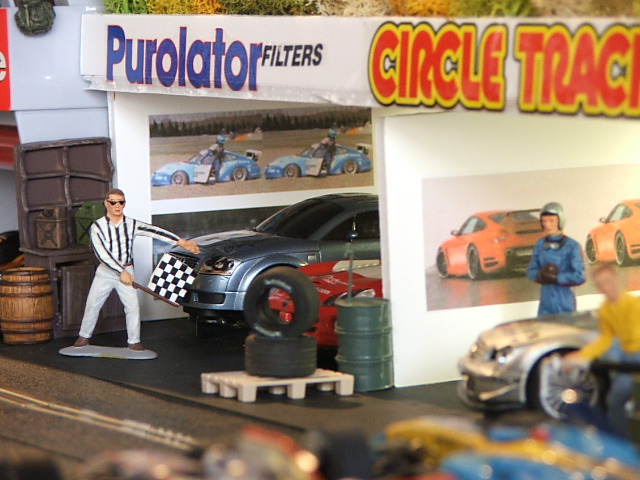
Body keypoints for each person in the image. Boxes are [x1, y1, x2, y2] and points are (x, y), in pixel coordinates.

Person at [73, 189, 200, 351]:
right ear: (106, 203)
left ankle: (134, 341)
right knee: (93, 304)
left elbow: (155, 231)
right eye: (113, 202)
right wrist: (120, 272)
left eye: (121, 202)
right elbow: (102, 254)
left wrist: (182, 242)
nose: (117, 206)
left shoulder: (132, 224)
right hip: (106, 272)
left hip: (128, 270)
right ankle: (84, 336)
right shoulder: (97, 226)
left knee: (132, 307)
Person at [564, 264, 640, 436]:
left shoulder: (634, 305)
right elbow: (605, 340)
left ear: (617, 279)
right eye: (601, 284)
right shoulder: (606, 310)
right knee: (615, 401)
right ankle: (620, 441)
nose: (606, 287)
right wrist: (581, 356)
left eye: (608, 281)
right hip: (629, 362)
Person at [527, 202, 585, 316]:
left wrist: (557, 278)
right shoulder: (540, 244)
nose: (547, 225)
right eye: (544, 221)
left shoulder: (572, 246)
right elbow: (531, 271)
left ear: (560, 221)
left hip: (565, 302)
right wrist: (541, 275)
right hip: (545, 303)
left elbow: (579, 276)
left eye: (551, 221)